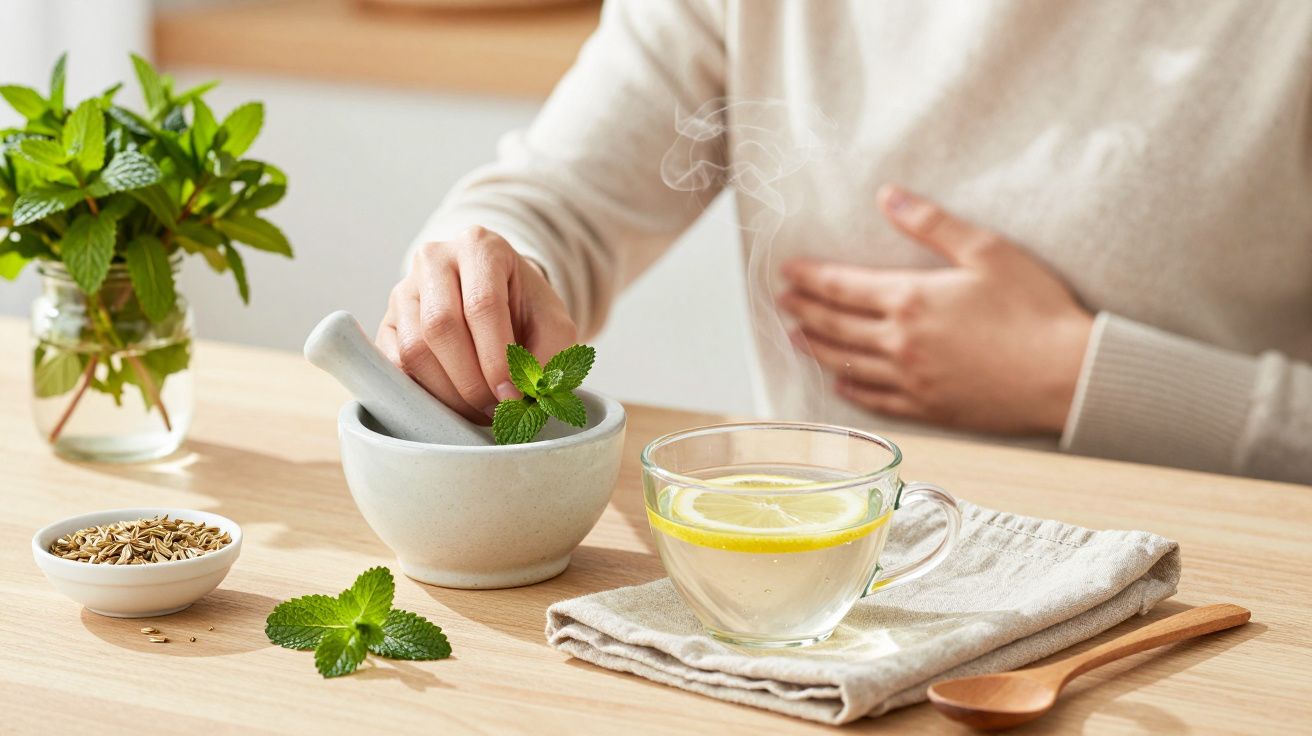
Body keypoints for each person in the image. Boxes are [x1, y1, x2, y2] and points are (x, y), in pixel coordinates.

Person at [377, 1, 1312, 485]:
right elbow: (561, 197)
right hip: (841, 586)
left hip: (1224, 612)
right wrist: (483, 263)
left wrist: (1079, 378)